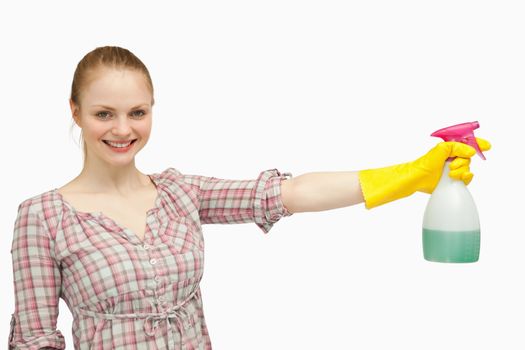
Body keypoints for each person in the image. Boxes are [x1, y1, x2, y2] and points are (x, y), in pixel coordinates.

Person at [8, 46, 491, 350]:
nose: (122, 129)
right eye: (103, 113)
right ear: (75, 112)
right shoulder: (42, 217)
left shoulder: (179, 192)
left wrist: (408, 176)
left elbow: (290, 193)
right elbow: (35, 339)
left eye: (137, 112)